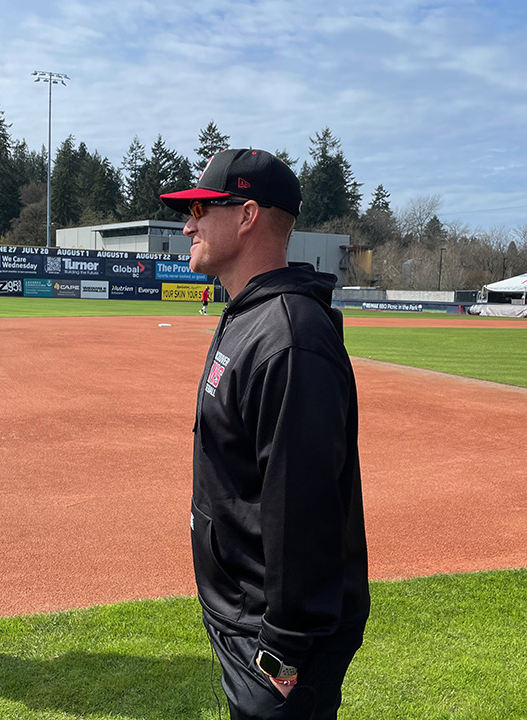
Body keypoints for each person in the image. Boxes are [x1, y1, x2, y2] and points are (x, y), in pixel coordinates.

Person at [160, 149, 370, 720]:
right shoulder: (248, 315)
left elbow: (303, 507)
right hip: (244, 614)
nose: (188, 224)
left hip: (276, 639)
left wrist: (282, 650)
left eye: (203, 208)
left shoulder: (288, 336)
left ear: (248, 215)